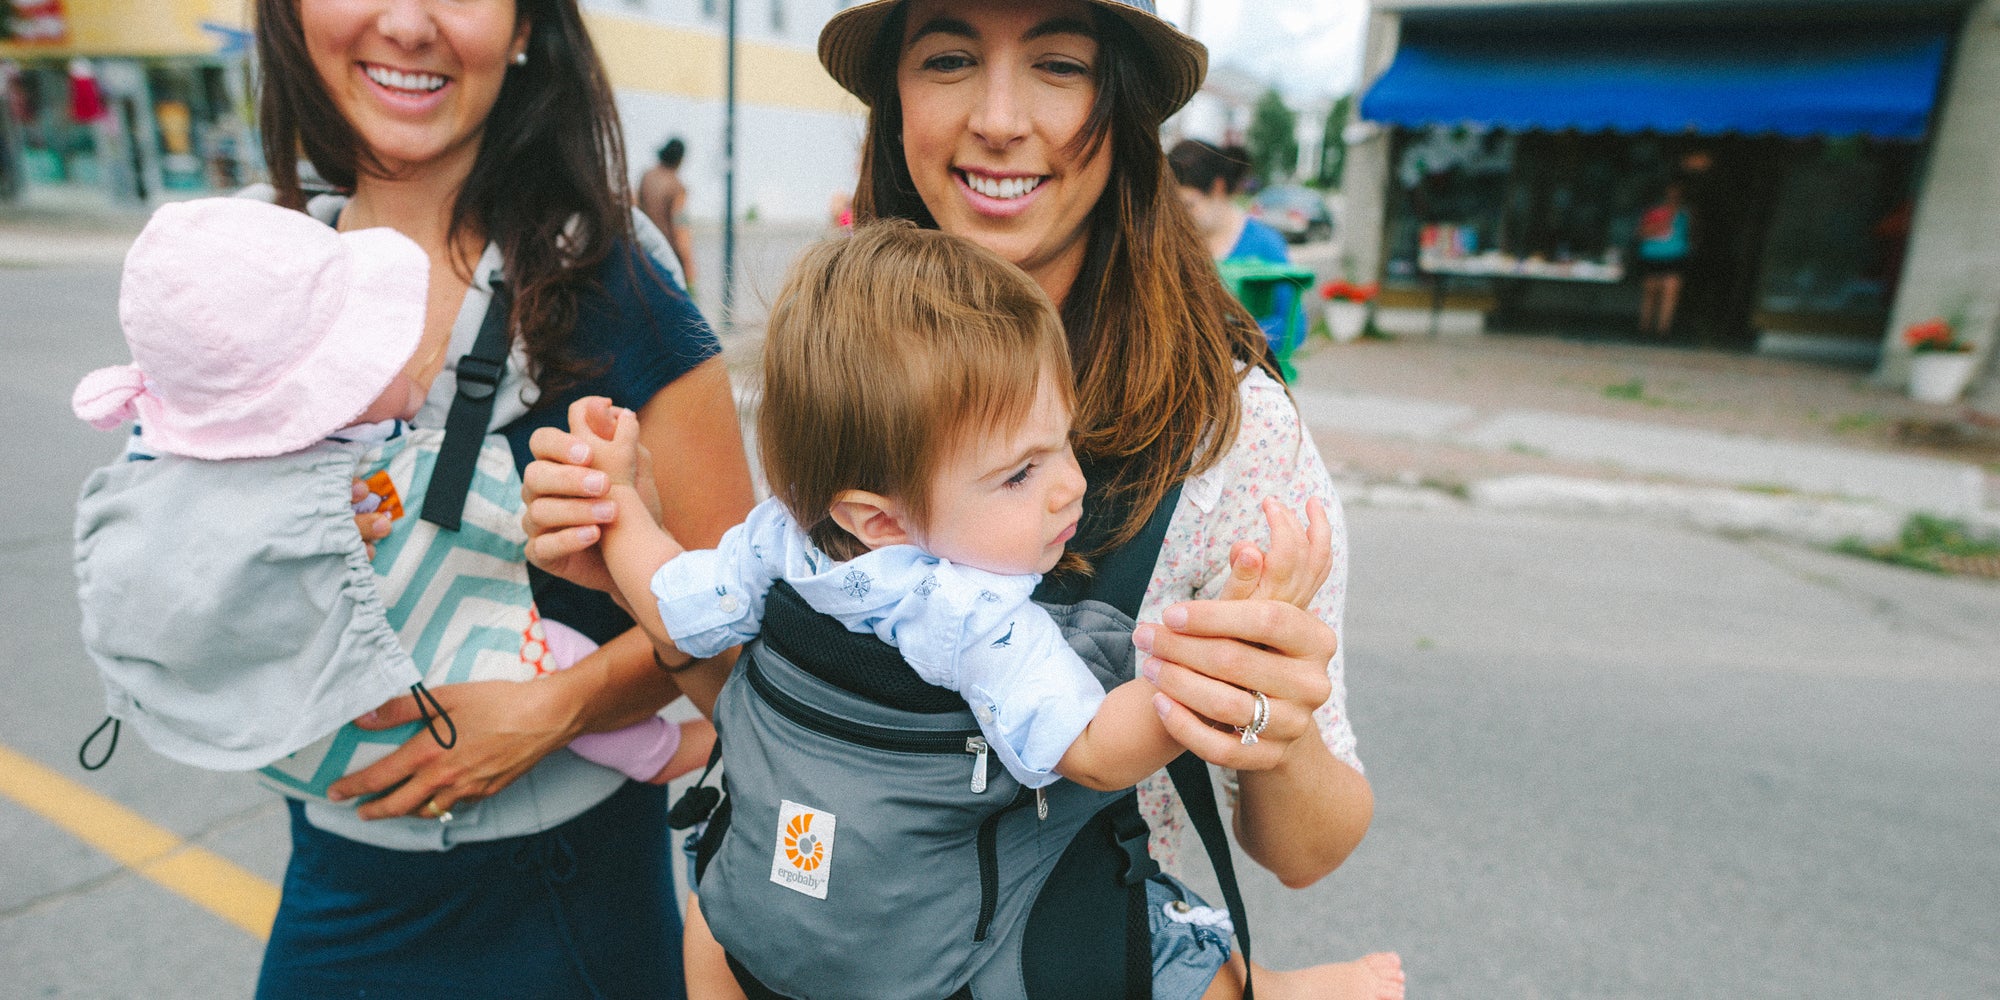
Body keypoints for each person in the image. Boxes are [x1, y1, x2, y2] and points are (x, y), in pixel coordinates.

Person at [525, 1, 1403, 997]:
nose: (996, 116)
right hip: (816, 948)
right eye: (947, 57)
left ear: (1121, 105)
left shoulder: (1225, 430)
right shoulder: (849, 356)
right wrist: (622, 539)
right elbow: (790, 705)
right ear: (893, 99)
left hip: (1046, 958)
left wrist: (1262, 716)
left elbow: (1306, 849)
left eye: (1056, 63)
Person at [246, 1, 754, 996]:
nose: (405, 21)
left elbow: (741, 630)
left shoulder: (615, 277)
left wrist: (555, 708)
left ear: (526, 28)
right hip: (329, 876)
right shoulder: (261, 274)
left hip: (563, 898)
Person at [70, 196, 716, 795]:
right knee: (552, 653)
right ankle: (654, 753)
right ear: (323, 409)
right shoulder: (328, 469)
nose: (407, 357)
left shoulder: (168, 442)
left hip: (306, 732)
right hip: (391, 678)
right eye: (374, 358)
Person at [1168, 138, 1296, 351]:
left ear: (1218, 188)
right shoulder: (1171, 243)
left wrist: (1232, 339)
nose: (1179, 218)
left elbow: (1293, 325)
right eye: (1173, 208)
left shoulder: (1266, 245)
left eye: (1188, 205)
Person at [640, 136, 698, 292]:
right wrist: (688, 268)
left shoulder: (646, 177)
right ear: (680, 160)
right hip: (668, 259)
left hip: (643, 255)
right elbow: (680, 230)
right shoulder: (677, 187)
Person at [1637, 180, 1693, 337]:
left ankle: (1663, 329)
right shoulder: (1654, 212)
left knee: (1670, 291)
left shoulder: (1686, 213)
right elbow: (1642, 232)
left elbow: (1693, 233)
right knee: (1651, 290)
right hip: (1653, 255)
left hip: (1675, 256)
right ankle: (1645, 327)